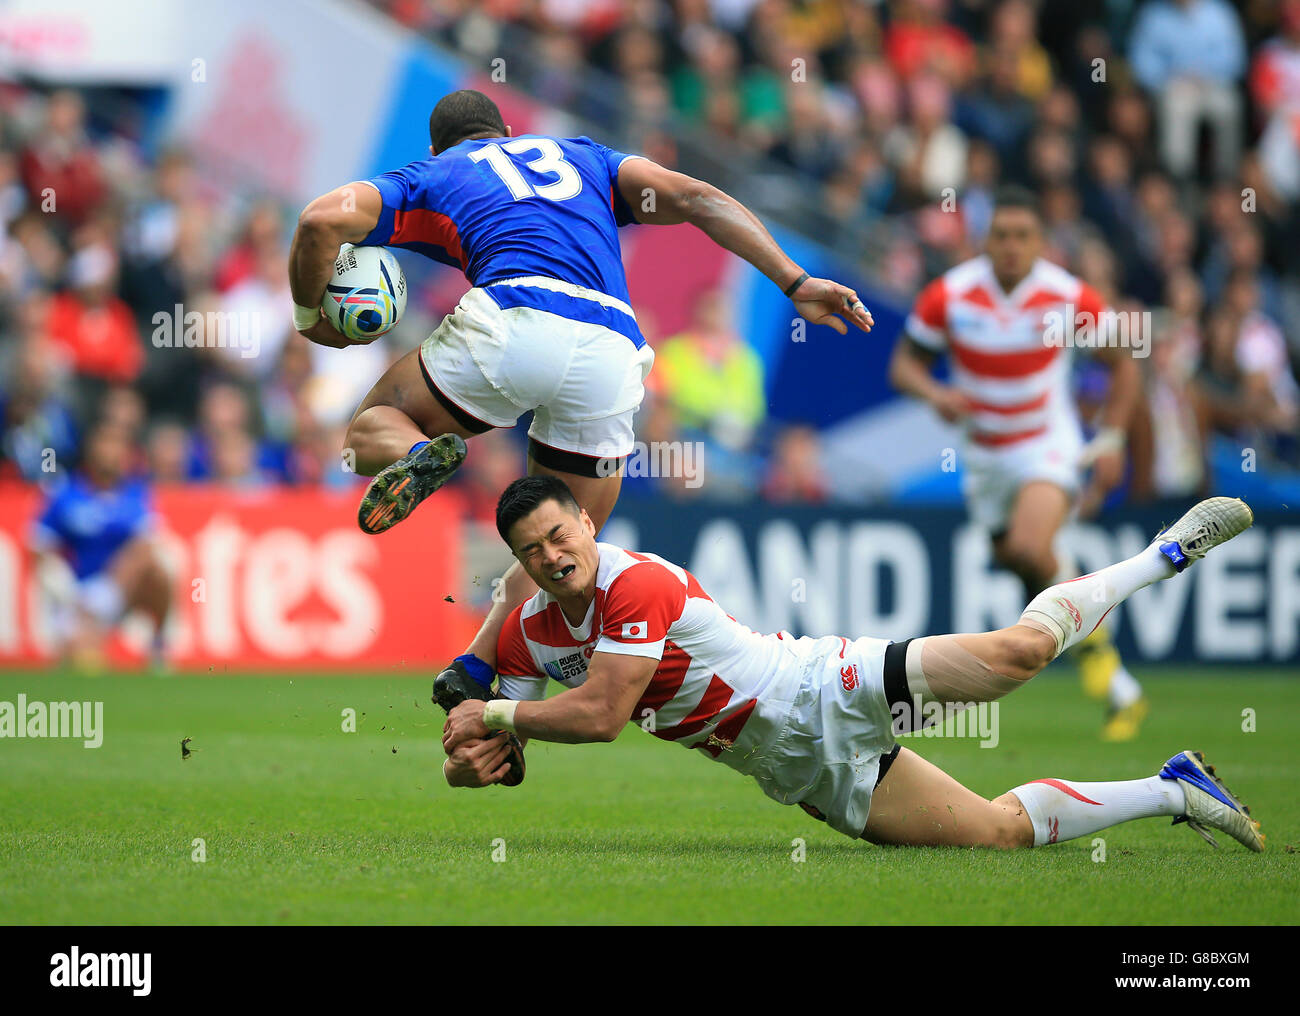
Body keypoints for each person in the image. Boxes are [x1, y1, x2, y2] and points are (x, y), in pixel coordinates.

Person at [287, 88, 873, 697]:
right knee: (559, 536)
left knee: (367, 431)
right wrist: (796, 280)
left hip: (513, 320)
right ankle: (485, 670)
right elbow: (699, 197)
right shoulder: (585, 157)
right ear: (510, 132)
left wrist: (311, 320)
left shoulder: (434, 171)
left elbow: (319, 221)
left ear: (437, 146)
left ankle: (416, 454)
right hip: (612, 349)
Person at [441, 476, 1263, 854]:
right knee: (1001, 836)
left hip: (824, 687)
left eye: (561, 535)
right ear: (516, 562)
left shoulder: (637, 583)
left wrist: (499, 716)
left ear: (586, 523)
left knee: (1021, 651)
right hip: (800, 772)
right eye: (532, 551)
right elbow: (506, 749)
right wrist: (473, 759)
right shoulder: (528, 634)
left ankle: (1164, 552)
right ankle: (1174, 788)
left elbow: (598, 715)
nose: (553, 557)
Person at [888, 185, 1147, 740]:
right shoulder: (951, 295)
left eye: (1022, 236)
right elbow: (903, 366)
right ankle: (1109, 662)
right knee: (1019, 561)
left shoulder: (1066, 295)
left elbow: (1124, 363)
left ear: (1040, 242)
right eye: (1001, 235)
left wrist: (1114, 439)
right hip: (984, 458)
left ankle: (1106, 671)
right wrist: (934, 395)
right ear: (986, 240)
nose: (1011, 246)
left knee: (1030, 548)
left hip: (1046, 443)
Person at [29, 420, 172, 671]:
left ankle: (157, 648)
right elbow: (39, 543)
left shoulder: (136, 493)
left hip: (122, 591)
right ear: (91, 449)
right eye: (105, 443)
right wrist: (58, 579)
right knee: (81, 666)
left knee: (157, 570)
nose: (111, 451)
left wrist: (111, 585)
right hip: (77, 594)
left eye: (118, 444)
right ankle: (79, 635)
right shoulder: (66, 493)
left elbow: (148, 543)